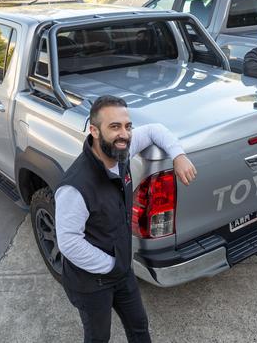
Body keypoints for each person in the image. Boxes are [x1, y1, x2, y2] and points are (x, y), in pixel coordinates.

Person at [55, 95, 197, 342]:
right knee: (99, 337)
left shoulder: (121, 150)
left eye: (127, 126)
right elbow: (69, 243)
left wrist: (178, 155)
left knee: (139, 328)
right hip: (92, 281)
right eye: (114, 127)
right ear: (94, 131)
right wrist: (111, 265)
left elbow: (154, 130)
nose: (124, 134)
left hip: (121, 269)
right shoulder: (75, 187)